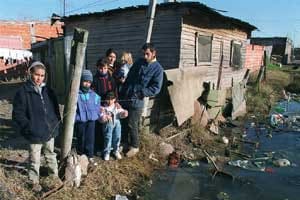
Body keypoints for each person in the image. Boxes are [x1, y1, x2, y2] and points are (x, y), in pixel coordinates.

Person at [12, 61, 61, 192]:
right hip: (34, 133)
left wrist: (56, 123)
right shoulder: (23, 92)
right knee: (34, 159)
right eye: (37, 75)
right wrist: (28, 128)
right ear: (30, 74)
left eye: (42, 75)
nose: (39, 78)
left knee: (51, 155)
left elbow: (55, 109)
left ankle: (54, 177)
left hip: (49, 130)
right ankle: (33, 181)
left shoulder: (48, 91)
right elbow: (18, 114)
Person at [120, 43, 164, 157]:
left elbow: (156, 88)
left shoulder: (158, 69)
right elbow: (129, 77)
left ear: (154, 53)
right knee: (123, 120)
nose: (145, 56)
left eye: (147, 54)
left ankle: (134, 146)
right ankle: (123, 142)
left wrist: (142, 93)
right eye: (143, 54)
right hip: (127, 96)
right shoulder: (139, 62)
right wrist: (123, 91)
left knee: (132, 123)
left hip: (138, 99)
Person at [75, 69, 102, 166]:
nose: (87, 84)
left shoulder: (93, 95)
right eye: (85, 81)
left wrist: (98, 115)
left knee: (90, 138)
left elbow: (97, 106)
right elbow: (72, 108)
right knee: (81, 138)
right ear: (81, 81)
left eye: (89, 82)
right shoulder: (76, 94)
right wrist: (76, 118)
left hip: (91, 120)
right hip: (80, 120)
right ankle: (80, 154)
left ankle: (90, 155)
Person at [91, 58, 116, 154]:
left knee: (110, 126)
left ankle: (109, 147)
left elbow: (115, 91)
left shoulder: (111, 79)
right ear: (97, 68)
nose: (103, 70)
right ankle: (98, 147)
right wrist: (98, 106)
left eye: (105, 68)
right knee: (99, 127)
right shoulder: (95, 80)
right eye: (101, 68)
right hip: (99, 106)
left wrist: (115, 101)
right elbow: (93, 94)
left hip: (110, 105)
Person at [99, 92, 128, 161]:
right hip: (108, 124)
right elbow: (100, 118)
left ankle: (116, 151)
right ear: (105, 99)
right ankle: (107, 152)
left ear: (114, 99)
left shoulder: (116, 106)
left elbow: (121, 113)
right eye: (108, 99)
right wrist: (104, 117)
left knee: (117, 137)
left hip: (117, 123)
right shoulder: (103, 108)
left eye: (111, 99)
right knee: (108, 138)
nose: (109, 101)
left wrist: (124, 113)